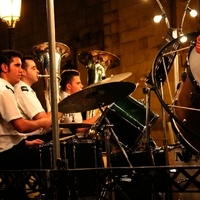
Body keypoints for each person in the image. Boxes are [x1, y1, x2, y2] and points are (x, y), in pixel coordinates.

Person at [0, 50, 52, 170]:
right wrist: (42, 122)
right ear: (4, 67)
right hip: (7, 153)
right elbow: (21, 126)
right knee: (51, 158)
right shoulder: (4, 91)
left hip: (8, 149)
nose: (21, 70)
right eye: (17, 66)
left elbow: (5, 131)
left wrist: (25, 142)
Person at [59, 69, 101, 136]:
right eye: (78, 83)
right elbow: (78, 128)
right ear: (68, 86)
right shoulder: (67, 102)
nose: (81, 86)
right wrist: (100, 115)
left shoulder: (70, 99)